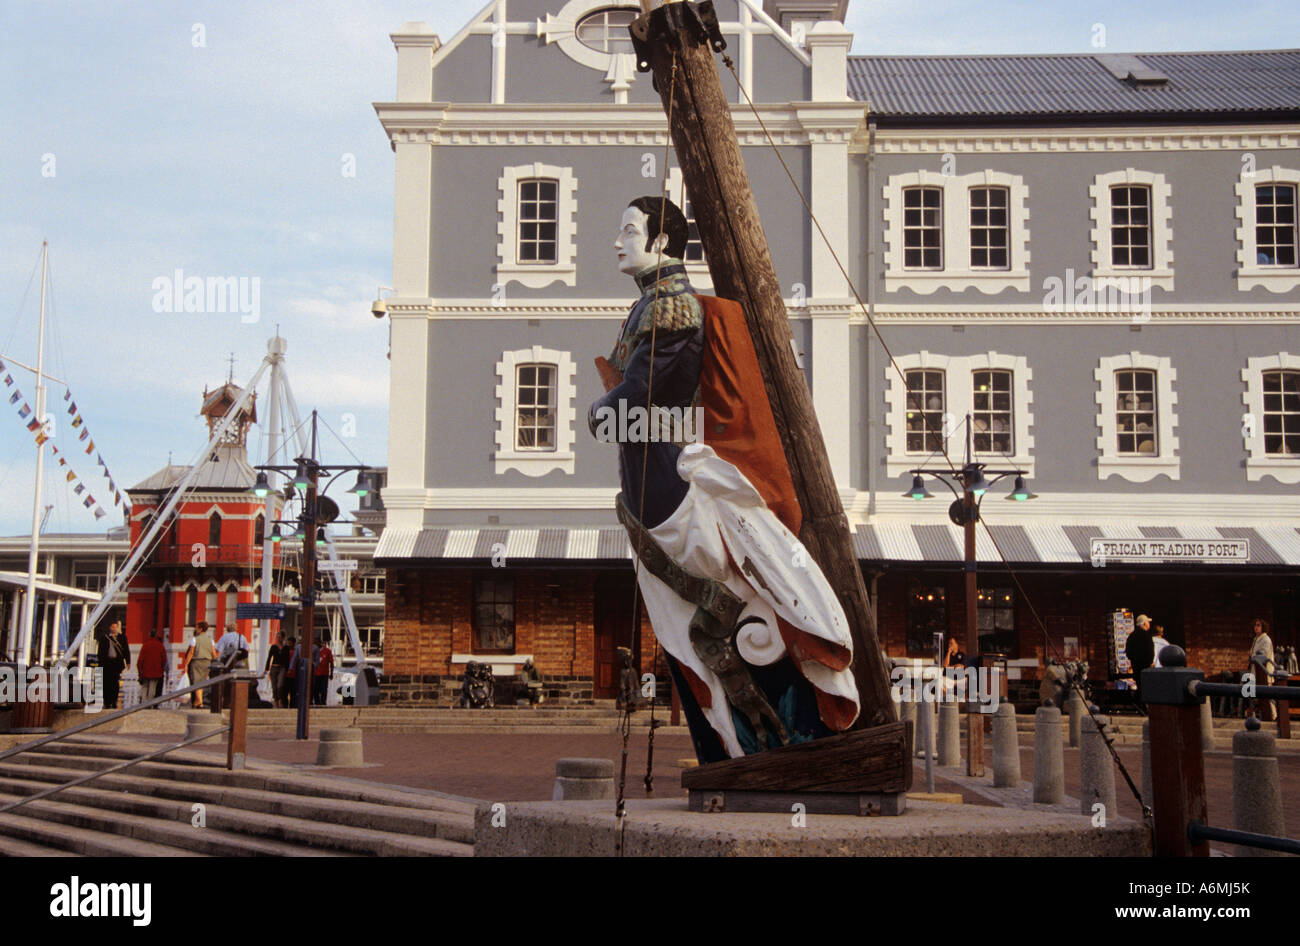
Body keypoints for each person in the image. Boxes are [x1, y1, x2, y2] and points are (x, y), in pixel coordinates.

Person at [588, 196, 858, 762]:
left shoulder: (670, 308)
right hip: (651, 478)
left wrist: (600, 409)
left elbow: (639, 395)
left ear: (661, 242)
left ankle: (785, 731)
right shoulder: (648, 308)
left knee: (723, 596)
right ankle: (747, 738)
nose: (618, 241)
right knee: (703, 606)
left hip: (665, 480)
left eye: (630, 230)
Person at [97, 620, 130, 709]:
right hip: (106, 664)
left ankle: (114, 701)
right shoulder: (104, 638)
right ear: (110, 628)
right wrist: (100, 664)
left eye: (116, 627)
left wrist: (128, 661)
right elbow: (100, 652)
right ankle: (107, 701)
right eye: (113, 627)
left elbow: (126, 649)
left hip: (116, 664)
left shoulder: (122, 638)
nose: (114, 629)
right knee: (106, 683)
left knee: (115, 684)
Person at [1247, 617, 1275, 722]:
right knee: (1255, 693)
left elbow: (1263, 655)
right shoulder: (1256, 639)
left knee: (1267, 694)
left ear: (1263, 627)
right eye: (1255, 625)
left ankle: (1273, 714)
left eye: (1258, 625)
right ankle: (1257, 713)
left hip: (1264, 671)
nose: (1256, 628)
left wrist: (1253, 656)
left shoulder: (1265, 639)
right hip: (1256, 671)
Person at [1125, 613, 1155, 704]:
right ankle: (1146, 705)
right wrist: (1150, 662)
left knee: (1139, 685)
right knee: (1148, 686)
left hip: (1136, 666)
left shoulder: (1131, 636)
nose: (1149, 624)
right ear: (1144, 624)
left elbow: (1128, 652)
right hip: (1146, 666)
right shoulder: (1147, 636)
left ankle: (1140, 704)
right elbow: (1150, 651)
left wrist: (1134, 660)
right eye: (1148, 622)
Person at [183, 622, 215, 709]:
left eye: (197, 628)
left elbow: (191, 652)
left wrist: (186, 664)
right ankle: (198, 702)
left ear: (200, 629)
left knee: (196, 682)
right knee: (202, 682)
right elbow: (214, 653)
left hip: (197, 661)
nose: (196, 629)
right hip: (207, 662)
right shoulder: (210, 640)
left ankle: (200, 702)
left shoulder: (195, 639)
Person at [137, 628, 167, 704]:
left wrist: (140, 671)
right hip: (156, 670)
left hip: (145, 670)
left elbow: (140, 660)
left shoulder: (145, 645)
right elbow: (164, 659)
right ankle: (150, 703)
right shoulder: (160, 646)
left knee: (145, 687)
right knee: (152, 688)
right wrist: (161, 668)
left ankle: (143, 702)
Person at [265, 631, 289, 708]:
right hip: (274, 667)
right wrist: (266, 668)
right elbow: (269, 657)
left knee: (280, 685)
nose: (279, 639)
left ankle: (280, 700)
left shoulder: (286, 648)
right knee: (274, 686)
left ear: (283, 638)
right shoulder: (273, 647)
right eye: (277, 637)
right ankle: (276, 701)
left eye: (280, 637)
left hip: (282, 668)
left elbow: (287, 659)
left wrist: (287, 669)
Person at [313, 638, 334, 706]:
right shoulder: (313, 651)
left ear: (320, 643)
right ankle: (317, 702)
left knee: (324, 689)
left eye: (316, 643)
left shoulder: (327, 651)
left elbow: (331, 662)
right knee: (315, 690)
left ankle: (323, 703)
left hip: (324, 674)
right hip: (315, 674)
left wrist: (331, 673)